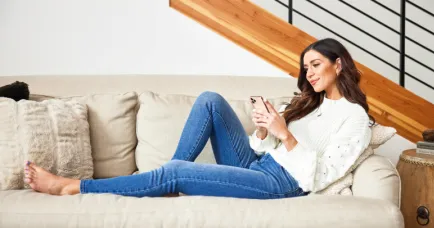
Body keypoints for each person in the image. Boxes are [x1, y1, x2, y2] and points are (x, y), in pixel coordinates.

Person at [24, 38, 374, 199]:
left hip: (283, 184)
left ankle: (73, 186)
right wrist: (265, 129)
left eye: (315, 65)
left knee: (175, 173)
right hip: (259, 163)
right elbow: (258, 145)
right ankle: (164, 181)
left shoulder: (355, 118)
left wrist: (286, 137)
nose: (309, 73)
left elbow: (321, 177)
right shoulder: (307, 103)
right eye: (305, 67)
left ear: (338, 64)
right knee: (209, 101)